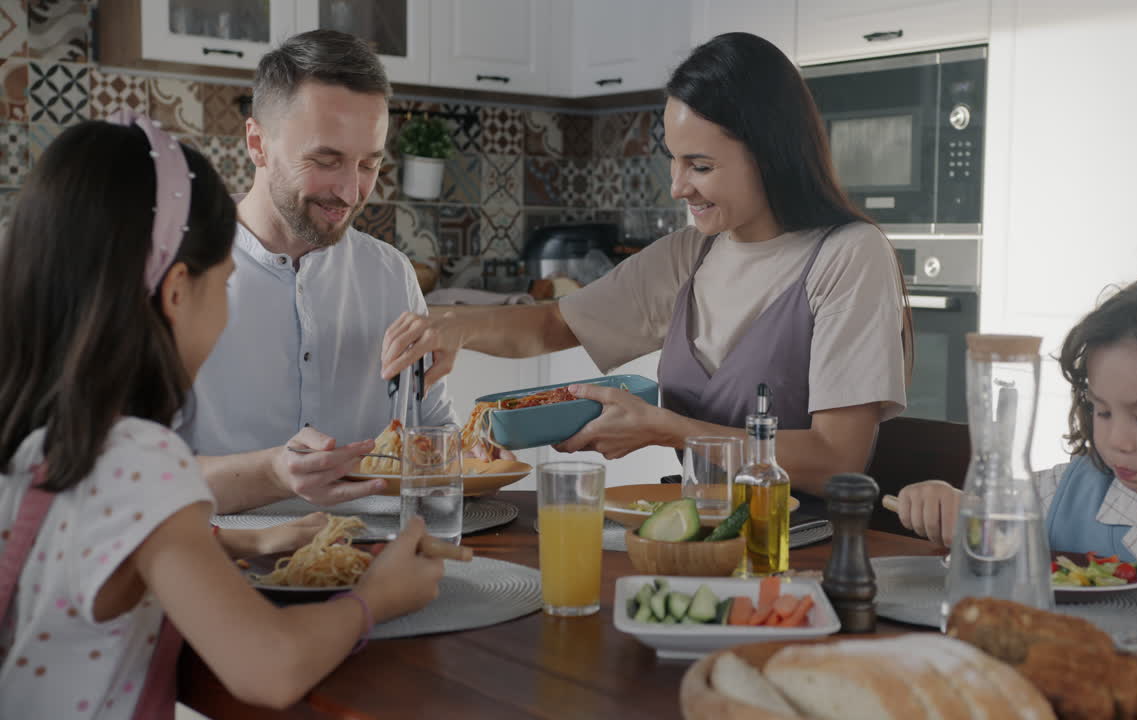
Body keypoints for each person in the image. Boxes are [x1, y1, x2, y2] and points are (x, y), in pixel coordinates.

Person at [0, 116, 467, 717]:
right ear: (176, 293)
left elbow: (99, 545)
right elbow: (269, 668)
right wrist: (377, 598)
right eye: (225, 283)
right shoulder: (136, 458)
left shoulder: (39, 438)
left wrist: (249, 539)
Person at [380, 32, 913, 497]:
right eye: (675, 162)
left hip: (799, 544)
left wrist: (667, 429)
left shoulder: (849, 255)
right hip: (694, 533)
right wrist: (451, 326)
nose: (679, 187)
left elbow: (835, 461)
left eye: (700, 166)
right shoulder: (692, 253)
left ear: (770, 154)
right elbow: (553, 324)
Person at [895, 266, 1137, 608]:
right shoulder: (1070, 492)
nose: (1116, 441)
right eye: (1102, 410)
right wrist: (948, 501)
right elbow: (994, 521)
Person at [186, 30, 458, 513]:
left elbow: (436, 439)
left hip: (375, 562)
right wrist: (272, 473)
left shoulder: (391, 275)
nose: (351, 193)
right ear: (257, 143)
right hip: (221, 566)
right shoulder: (178, 274)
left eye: (368, 165)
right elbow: (130, 480)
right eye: (326, 161)